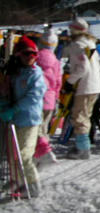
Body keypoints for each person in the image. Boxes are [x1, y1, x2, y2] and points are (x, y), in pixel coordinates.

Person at [0, 36, 47, 198]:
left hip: (29, 120)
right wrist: (5, 103)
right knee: (13, 153)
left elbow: (34, 96)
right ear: (18, 55)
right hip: (15, 119)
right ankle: (17, 180)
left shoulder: (36, 74)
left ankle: (33, 185)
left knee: (24, 154)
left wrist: (15, 108)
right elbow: (8, 91)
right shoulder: (15, 73)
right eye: (27, 54)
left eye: (34, 54)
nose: (31, 57)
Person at [63, 17, 100, 159]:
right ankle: (82, 144)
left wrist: (69, 81)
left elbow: (82, 68)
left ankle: (82, 148)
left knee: (79, 116)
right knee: (85, 115)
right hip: (94, 85)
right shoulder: (90, 44)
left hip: (85, 86)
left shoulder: (78, 45)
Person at [34, 27, 62, 168]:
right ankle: (43, 151)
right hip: (50, 100)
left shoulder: (35, 57)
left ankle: (42, 152)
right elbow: (58, 82)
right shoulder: (56, 61)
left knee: (35, 128)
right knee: (44, 127)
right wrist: (56, 98)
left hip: (36, 98)